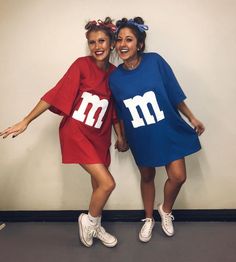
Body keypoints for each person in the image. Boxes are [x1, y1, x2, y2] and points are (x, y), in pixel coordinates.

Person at [0, 17, 127, 248]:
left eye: (101, 41)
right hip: (76, 132)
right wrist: (26, 120)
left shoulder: (115, 73)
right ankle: (88, 221)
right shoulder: (81, 65)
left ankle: (96, 226)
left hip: (99, 136)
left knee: (98, 185)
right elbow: (55, 93)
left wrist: (120, 136)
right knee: (108, 183)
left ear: (111, 43)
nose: (97, 46)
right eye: (91, 42)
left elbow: (115, 109)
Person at [109, 17, 205, 243]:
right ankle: (149, 218)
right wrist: (121, 137)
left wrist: (191, 117)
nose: (123, 44)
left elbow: (173, 93)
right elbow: (119, 111)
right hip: (140, 134)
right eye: (119, 39)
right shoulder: (114, 78)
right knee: (148, 175)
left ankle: (165, 210)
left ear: (139, 44)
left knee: (178, 176)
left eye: (129, 39)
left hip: (167, 128)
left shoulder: (155, 61)